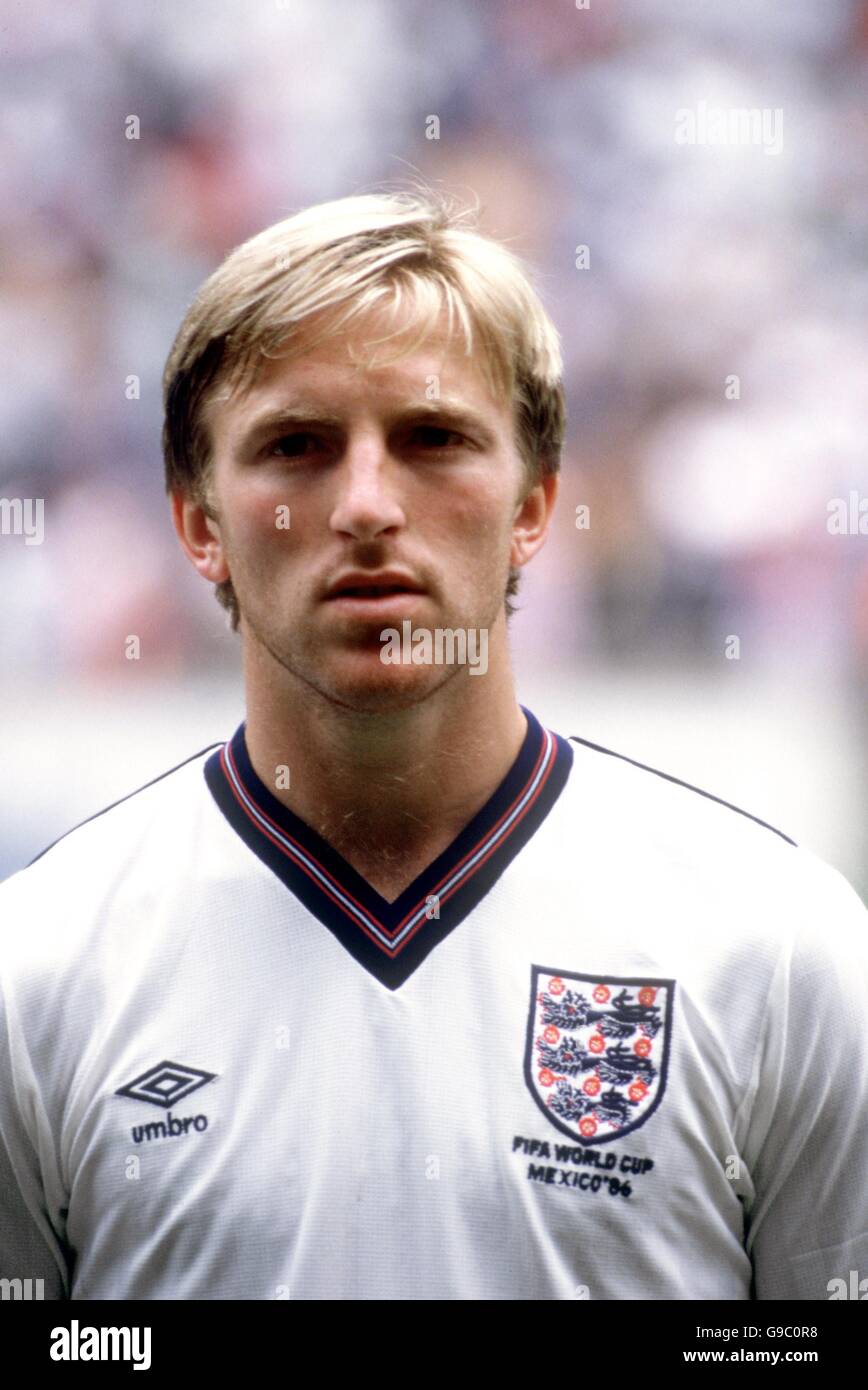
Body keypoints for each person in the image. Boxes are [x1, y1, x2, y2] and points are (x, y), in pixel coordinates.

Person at [1, 188, 866, 1301]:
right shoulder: (38, 971)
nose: (366, 504)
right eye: (297, 445)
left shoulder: (781, 950)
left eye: (433, 438)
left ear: (534, 506)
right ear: (198, 524)